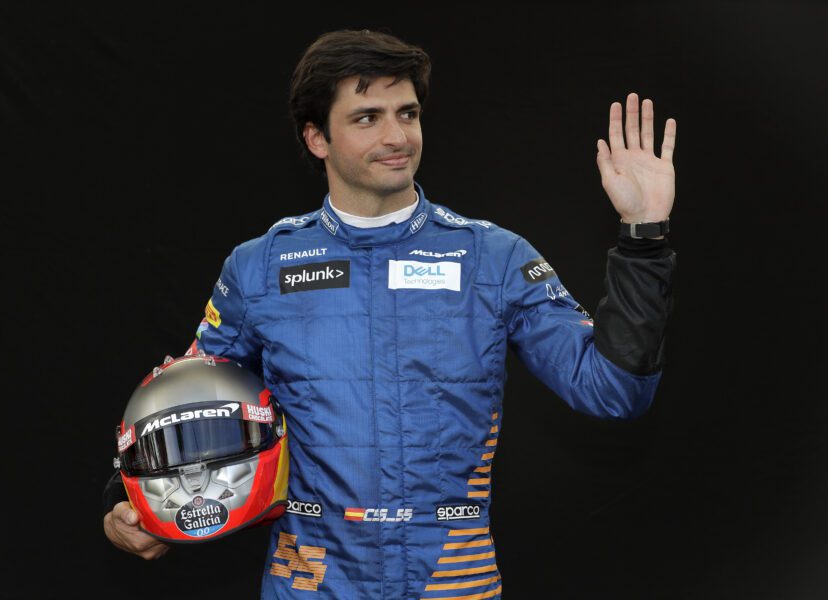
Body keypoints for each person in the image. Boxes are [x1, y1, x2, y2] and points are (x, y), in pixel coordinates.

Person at [103, 29, 677, 598]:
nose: (397, 135)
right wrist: (128, 503)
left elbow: (614, 391)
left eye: (408, 113)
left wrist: (643, 237)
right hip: (310, 585)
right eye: (367, 117)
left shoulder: (492, 257)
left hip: (453, 584)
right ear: (316, 138)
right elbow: (187, 400)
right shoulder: (259, 268)